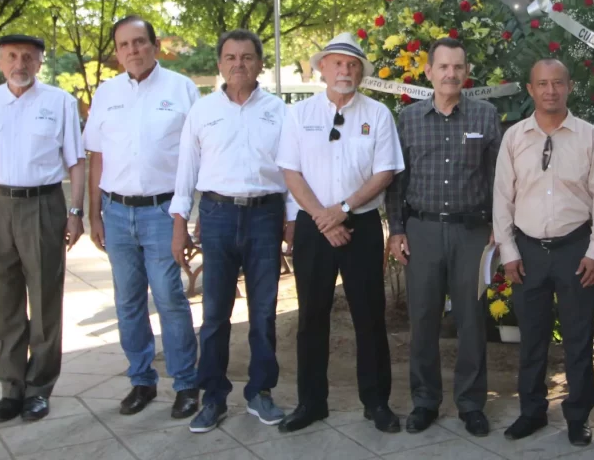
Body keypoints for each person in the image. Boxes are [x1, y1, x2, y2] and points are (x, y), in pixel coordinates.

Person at [170, 29, 296, 433]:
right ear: (219, 64)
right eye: (230, 57)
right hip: (217, 215)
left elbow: (294, 170)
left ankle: (260, 392)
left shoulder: (279, 111)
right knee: (214, 314)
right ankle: (213, 397)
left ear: (260, 63)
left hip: (265, 216)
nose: (238, 64)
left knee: (262, 312)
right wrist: (179, 224)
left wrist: (292, 219)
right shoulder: (202, 112)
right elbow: (186, 171)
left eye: (247, 57)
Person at [277, 33, 404, 433]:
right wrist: (321, 217)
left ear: (361, 72)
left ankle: (377, 402)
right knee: (311, 318)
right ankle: (311, 403)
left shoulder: (378, 114)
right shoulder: (299, 114)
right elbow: (290, 170)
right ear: (322, 68)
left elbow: (385, 171)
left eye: (352, 65)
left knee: (370, 317)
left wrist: (343, 210)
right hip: (315, 228)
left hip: (361, 226)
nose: (345, 71)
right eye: (337, 64)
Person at [0, 34, 86, 423]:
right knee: (4, 298)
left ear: (40, 62)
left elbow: (77, 163)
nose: (20, 64)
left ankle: (39, 387)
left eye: (29, 57)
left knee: (45, 296)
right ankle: (10, 387)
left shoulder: (59, 102)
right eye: (12, 56)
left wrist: (76, 211)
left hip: (44, 204)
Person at [85, 16, 201, 419]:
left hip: (163, 211)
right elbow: (96, 156)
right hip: (115, 213)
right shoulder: (106, 93)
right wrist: (93, 214)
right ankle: (141, 380)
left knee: (170, 299)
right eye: (124, 45)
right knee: (127, 301)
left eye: (139, 42)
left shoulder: (181, 88)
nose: (132, 50)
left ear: (154, 45)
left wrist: (187, 215)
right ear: (117, 53)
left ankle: (186, 383)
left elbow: (195, 156)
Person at [385, 36, 501, 437]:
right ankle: (425, 401)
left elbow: (497, 179)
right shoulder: (409, 119)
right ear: (429, 72)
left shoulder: (486, 116)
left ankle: (470, 403)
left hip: (472, 233)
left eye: (458, 67)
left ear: (466, 73)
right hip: (423, 231)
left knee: (472, 320)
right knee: (423, 319)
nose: (451, 73)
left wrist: (496, 231)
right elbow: (397, 181)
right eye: (443, 67)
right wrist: (396, 229)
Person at [493, 59, 594, 448]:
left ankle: (578, 416)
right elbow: (501, 199)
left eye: (557, 83)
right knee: (532, 337)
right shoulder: (514, 138)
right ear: (530, 89)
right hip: (527, 251)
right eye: (542, 84)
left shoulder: (589, 136)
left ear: (569, 86)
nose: (550, 91)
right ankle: (532, 412)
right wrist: (508, 250)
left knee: (578, 337)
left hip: (575, 249)